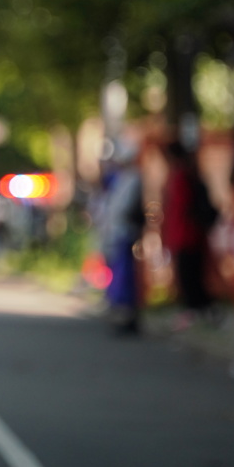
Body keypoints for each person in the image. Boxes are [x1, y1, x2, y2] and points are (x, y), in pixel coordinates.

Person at [162, 139, 217, 327]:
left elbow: (183, 207)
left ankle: (198, 310)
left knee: (189, 275)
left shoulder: (180, 176)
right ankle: (203, 310)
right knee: (192, 275)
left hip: (186, 234)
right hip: (189, 234)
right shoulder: (187, 173)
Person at [100, 139, 144, 334]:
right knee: (118, 275)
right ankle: (120, 311)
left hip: (126, 233)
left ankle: (128, 314)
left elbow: (124, 209)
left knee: (126, 276)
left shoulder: (133, 178)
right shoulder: (121, 179)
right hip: (117, 233)